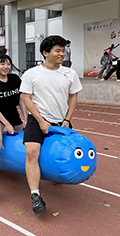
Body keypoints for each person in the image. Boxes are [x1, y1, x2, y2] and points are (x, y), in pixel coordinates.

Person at [20, 35, 82, 215]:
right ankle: (35, 195)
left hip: (61, 120)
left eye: (63, 50)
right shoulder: (32, 73)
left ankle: (58, 176)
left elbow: (73, 96)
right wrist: (41, 121)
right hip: (36, 119)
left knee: (67, 152)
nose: (62, 53)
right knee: (32, 152)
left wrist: (67, 119)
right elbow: (26, 97)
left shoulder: (70, 73)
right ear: (45, 53)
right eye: (58, 50)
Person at [0, 49, 27, 195]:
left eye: (8, 64)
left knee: (27, 139)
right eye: (3, 64)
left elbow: (21, 100)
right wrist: (6, 124)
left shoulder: (15, 79)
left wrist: (25, 119)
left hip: (13, 114)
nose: (6, 67)